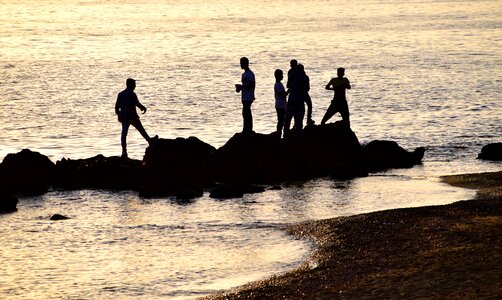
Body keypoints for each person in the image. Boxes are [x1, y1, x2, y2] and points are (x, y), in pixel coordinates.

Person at [115, 78, 158, 158]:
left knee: (124, 134)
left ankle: (124, 151)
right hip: (132, 116)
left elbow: (116, 107)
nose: (135, 86)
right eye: (134, 84)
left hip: (124, 117)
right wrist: (143, 108)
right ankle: (149, 141)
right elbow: (137, 103)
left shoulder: (120, 94)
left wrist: (119, 115)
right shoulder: (132, 94)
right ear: (130, 85)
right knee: (141, 130)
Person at [284, 64, 310, 133]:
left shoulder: (291, 75)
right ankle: (299, 134)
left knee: (288, 119)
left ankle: (285, 134)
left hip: (292, 99)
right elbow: (307, 89)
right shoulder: (305, 77)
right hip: (300, 100)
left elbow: (288, 85)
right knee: (299, 119)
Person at [235, 57, 256, 134]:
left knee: (246, 112)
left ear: (245, 63)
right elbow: (246, 85)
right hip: (245, 96)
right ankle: (246, 128)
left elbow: (251, 85)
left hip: (248, 96)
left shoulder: (250, 74)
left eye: (241, 63)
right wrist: (239, 88)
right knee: (245, 112)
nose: (240, 65)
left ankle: (248, 129)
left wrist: (242, 87)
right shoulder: (244, 74)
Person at [274, 69, 289, 134]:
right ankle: (279, 133)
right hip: (280, 106)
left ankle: (279, 133)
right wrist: (289, 90)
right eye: (281, 75)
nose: (282, 76)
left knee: (281, 120)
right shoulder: (278, 85)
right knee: (281, 121)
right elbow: (283, 95)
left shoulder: (279, 84)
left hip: (281, 105)